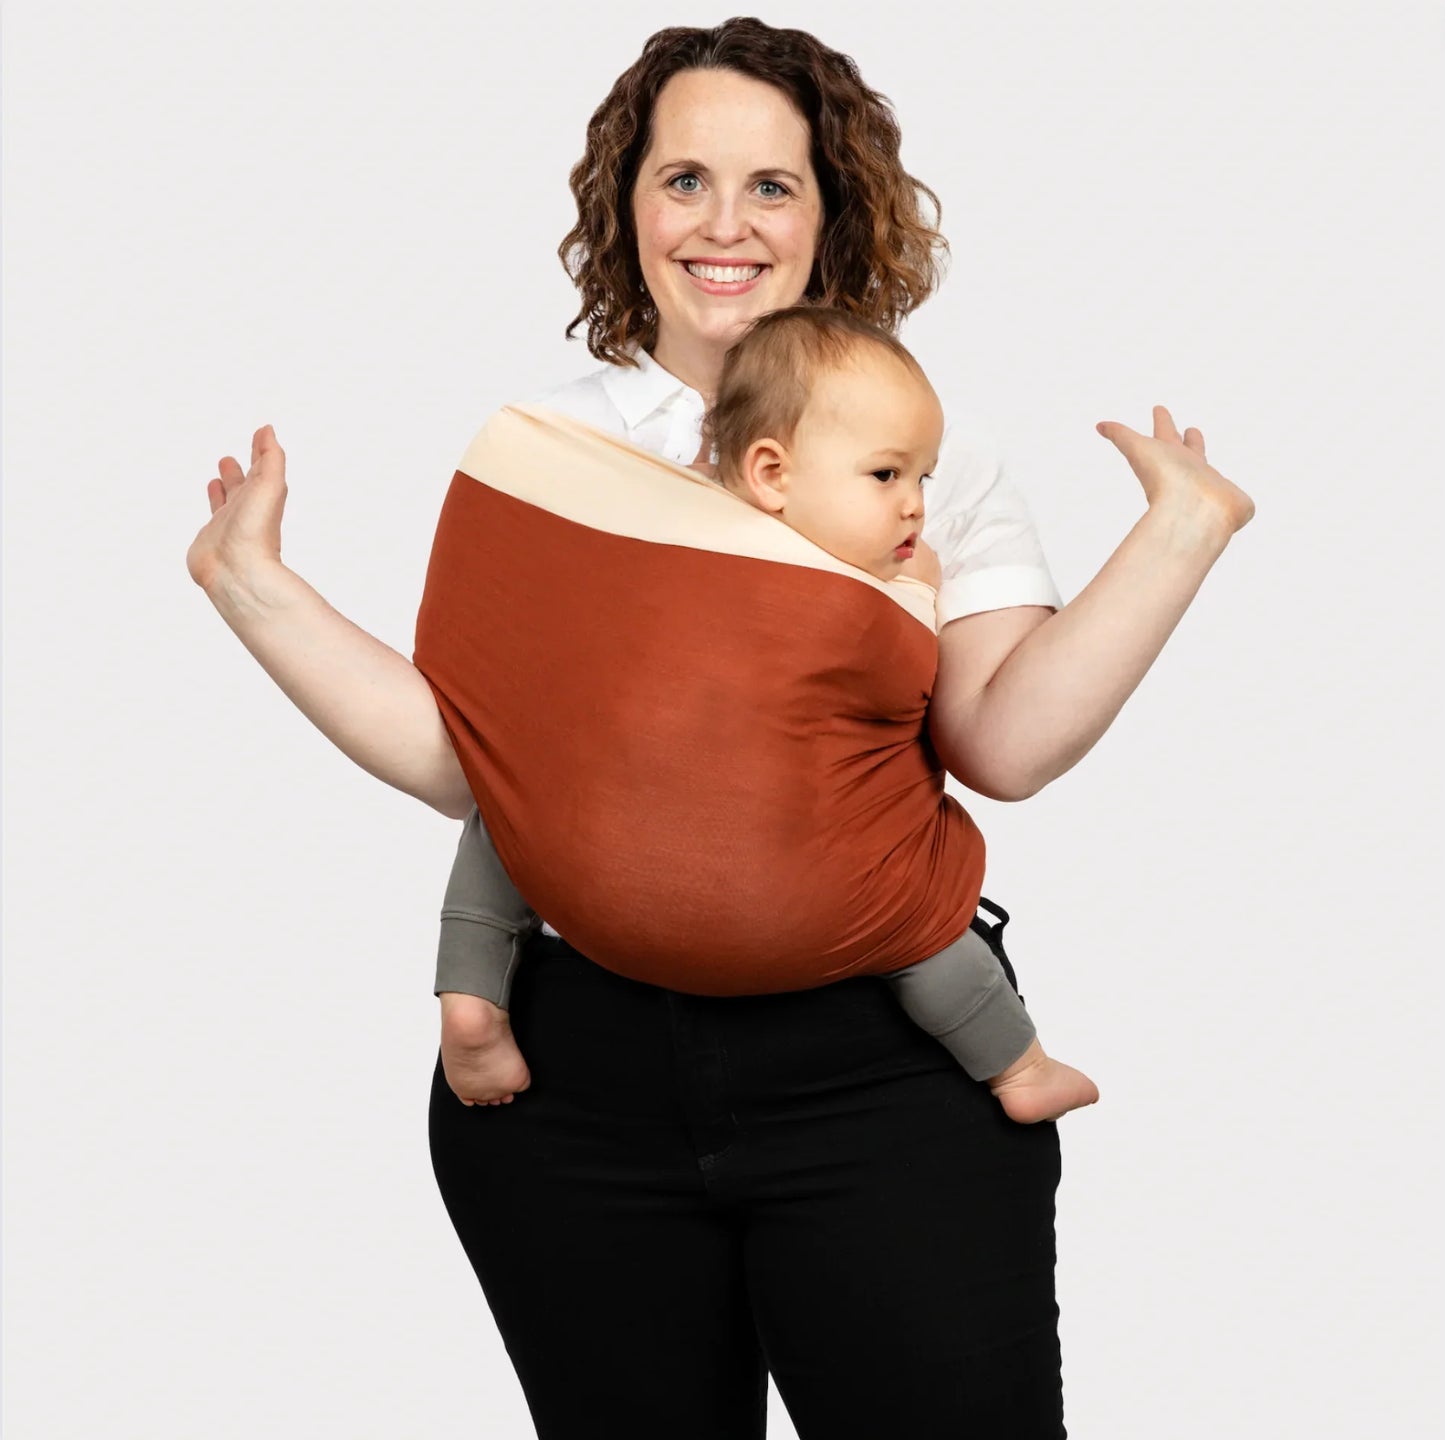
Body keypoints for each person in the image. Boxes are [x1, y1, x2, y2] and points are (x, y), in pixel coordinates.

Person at [186, 17, 1252, 1437]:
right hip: (571, 1081)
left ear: (830, 213)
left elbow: (1002, 744)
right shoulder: (545, 451)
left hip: (877, 1053)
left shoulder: (912, 448)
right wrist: (253, 586)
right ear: (625, 206)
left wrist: (1176, 537)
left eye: (772, 186)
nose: (724, 225)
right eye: (683, 179)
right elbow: (475, 769)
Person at [425, 303, 1100, 1125]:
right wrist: (916, 590)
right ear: (772, 475)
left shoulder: (661, 538)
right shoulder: (873, 596)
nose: (915, 507)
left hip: (602, 877)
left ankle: (471, 997)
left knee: (512, 805)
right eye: (886, 476)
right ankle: (1019, 1067)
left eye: (922, 479)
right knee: (920, 923)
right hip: (803, 908)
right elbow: (903, 692)